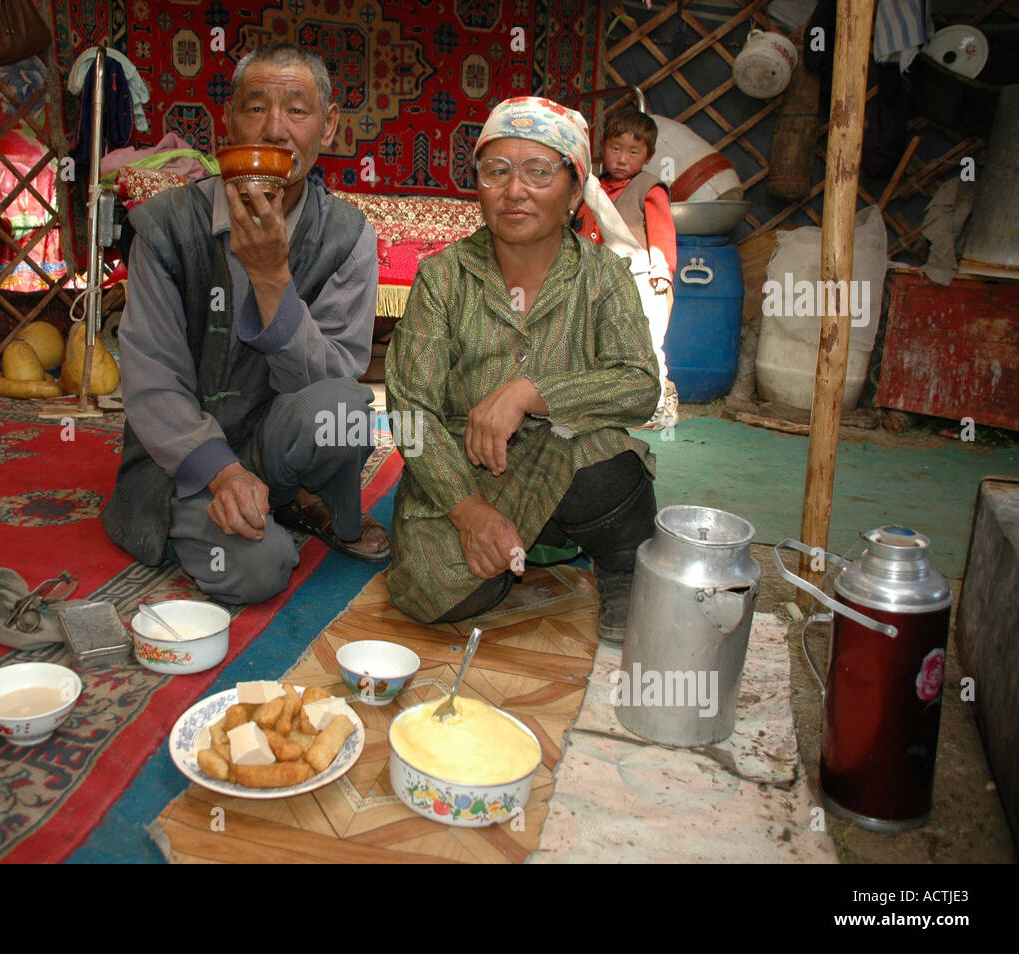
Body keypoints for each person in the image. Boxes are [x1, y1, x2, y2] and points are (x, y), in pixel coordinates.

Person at [102, 42, 389, 605]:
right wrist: (221, 473)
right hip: (181, 458)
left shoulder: (347, 236)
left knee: (343, 411)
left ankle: (296, 494)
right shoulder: (164, 227)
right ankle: (252, 501)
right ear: (227, 125)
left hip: (274, 437)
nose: (275, 131)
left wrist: (272, 280)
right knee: (258, 571)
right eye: (256, 108)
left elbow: (334, 375)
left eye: (298, 111)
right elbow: (151, 379)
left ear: (328, 127)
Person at [385, 96, 660, 639]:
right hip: (470, 467)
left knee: (607, 457)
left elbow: (640, 386)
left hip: (567, 455)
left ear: (574, 190)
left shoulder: (604, 276)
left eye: (539, 172)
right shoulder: (444, 277)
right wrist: (468, 512)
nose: (515, 191)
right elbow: (410, 413)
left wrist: (532, 392)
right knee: (434, 593)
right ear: (479, 185)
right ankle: (512, 538)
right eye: (497, 171)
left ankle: (623, 565)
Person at [581, 108, 679, 430]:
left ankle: (659, 404)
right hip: (598, 279)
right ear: (603, 147)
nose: (622, 159)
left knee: (646, 339)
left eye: (633, 152)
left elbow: (662, 233)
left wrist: (661, 271)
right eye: (616, 149)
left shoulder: (649, 188)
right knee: (600, 340)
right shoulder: (592, 187)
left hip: (641, 278)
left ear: (648, 156)